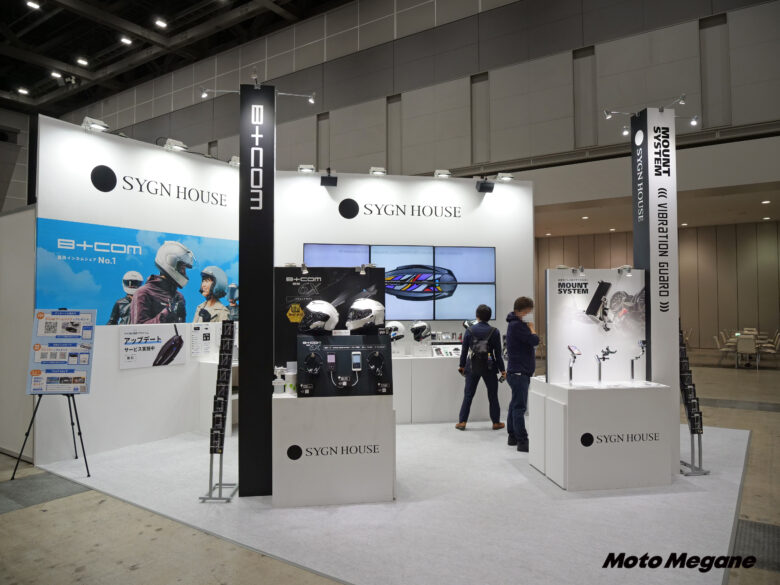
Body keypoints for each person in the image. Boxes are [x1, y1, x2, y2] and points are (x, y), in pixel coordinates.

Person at [456, 304, 507, 431]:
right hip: (489, 364)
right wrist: (502, 370)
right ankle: (496, 422)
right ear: (489, 317)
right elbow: (498, 354)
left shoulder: (469, 330)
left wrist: (462, 366)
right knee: (493, 395)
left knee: (468, 395)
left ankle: (462, 422)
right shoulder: (494, 331)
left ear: (477, 316)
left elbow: (464, 351)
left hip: (472, 365)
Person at [505, 296, 539, 452]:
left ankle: (512, 436)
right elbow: (534, 340)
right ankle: (522, 441)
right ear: (522, 310)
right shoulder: (517, 326)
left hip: (516, 371)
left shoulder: (514, 324)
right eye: (528, 311)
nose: (529, 314)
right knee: (519, 408)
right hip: (519, 372)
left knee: (515, 405)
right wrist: (532, 328)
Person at [130, 241, 193, 324]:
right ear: (170, 262)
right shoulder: (143, 293)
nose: (184, 273)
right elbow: (138, 328)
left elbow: (181, 327)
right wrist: (167, 312)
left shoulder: (179, 297)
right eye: (182, 268)